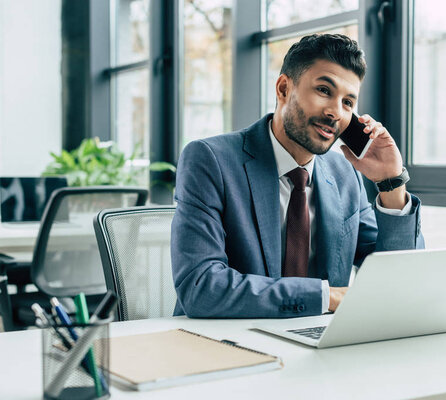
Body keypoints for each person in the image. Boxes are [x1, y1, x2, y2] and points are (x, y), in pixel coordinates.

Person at [171, 33, 425, 319]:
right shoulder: (210, 160)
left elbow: (401, 278)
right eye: (324, 91)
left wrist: (390, 182)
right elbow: (200, 287)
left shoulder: (343, 173)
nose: (335, 112)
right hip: (225, 346)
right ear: (283, 89)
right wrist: (325, 296)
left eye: (348, 103)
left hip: (320, 348)